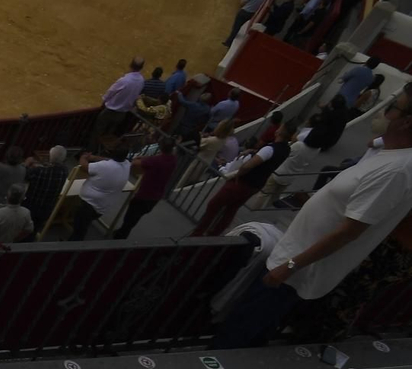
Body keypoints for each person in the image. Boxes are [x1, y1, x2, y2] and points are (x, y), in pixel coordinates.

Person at [216, 87, 412, 348]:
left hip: (294, 272)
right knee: (248, 329)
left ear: (407, 121)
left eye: (392, 107)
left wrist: (290, 267)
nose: (383, 112)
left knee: (238, 334)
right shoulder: (390, 157)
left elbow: (349, 231)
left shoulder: (396, 170)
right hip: (292, 263)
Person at [193, 122, 297, 236]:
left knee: (214, 204)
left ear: (280, 132)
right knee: (231, 209)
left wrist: (238, 174)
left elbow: (248, 165)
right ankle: (215, 232)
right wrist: (254, 151)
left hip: (244, 182)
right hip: (256, 184)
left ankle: (198, 232)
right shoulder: (286, 149)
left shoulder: (270, 149)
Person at [114, 136, 177, 238]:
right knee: (135, 217)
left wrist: (138, 159)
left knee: (130, 217)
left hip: (144, 195)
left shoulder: (156, 161)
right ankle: (122, 232)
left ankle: (120, 236)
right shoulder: (172, 159)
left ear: (160, 147)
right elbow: (154, 159)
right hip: (156, 196)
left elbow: (135, 164)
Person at [67, 146, 130, 240]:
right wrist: (94, 158)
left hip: (88, 204)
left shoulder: (104, 166)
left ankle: (71, 247)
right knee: (81, 226)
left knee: (79, 231)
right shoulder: (127, 164)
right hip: (102, 205)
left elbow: (84, 167)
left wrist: (83, 157)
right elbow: (110, 160)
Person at [97, 57, 146, 142]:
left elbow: (110, 92)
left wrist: (103, 102)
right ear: (141, 68)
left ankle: (91, 150)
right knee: (109, 135)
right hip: (122, 113)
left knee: (98, 131)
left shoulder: (124, 80)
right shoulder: (141, 81)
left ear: (130, 65)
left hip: (110, 111)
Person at [22, 145, 69, 232]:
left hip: (30, 207)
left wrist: (26, 163)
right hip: (47, 209)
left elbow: (24, 175)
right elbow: (54, 167)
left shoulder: (39, 171)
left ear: (50, 157)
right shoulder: (64, 171)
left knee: (23, 229)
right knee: (34, 230)